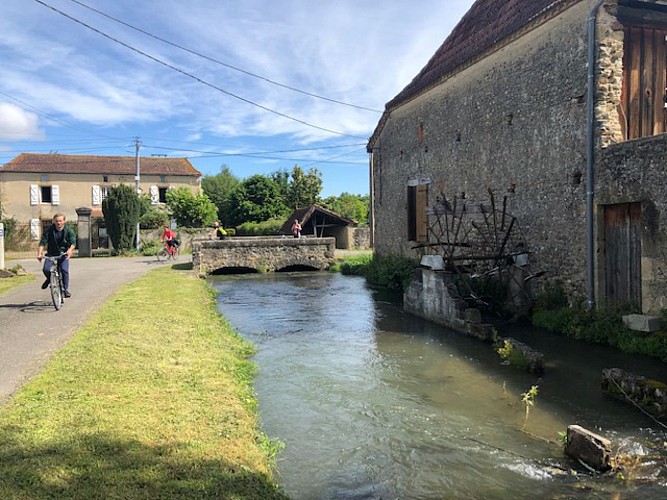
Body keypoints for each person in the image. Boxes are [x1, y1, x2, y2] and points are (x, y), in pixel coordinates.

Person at [37, 212, 76, 298]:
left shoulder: (68, 230)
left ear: (64, 221)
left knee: (64, 270)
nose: (59, 223)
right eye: (57, 221)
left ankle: (65, 290)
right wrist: (39, 254)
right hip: (51, 254)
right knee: (46, 269)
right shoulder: (49, 231)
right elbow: (42, 243)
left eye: (60, 221)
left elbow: (73, 242)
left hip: (63, 254)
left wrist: (70, 250)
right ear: (54, 221)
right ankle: (50, 279)